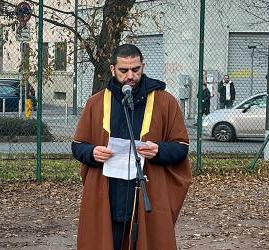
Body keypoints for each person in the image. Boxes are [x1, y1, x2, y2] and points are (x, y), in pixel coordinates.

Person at [71, 44, 192, 250]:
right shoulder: (96, 103)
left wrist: (159, 150)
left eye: (136, 70)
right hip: (108, 191)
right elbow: (77, 146)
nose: (130, 76)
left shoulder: (165, 101)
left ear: (143, 66)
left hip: (147, 191)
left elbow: (181, 147)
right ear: (112, 69)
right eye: (124, 70)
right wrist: (92, 152)